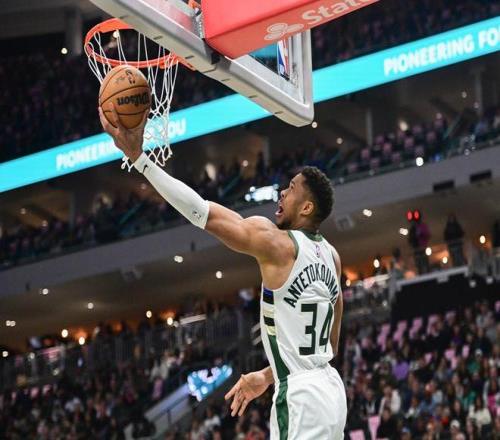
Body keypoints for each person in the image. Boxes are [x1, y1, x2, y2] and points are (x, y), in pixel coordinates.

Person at [99, 106, 346, 439]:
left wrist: (140, 159)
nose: (282, 192)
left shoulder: (277, 243)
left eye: (290, 189)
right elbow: (329, 345)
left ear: (306, 207)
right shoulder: (332, 257)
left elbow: (202, 212)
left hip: (301, 397)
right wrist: (268, 375)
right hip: (331, 391)